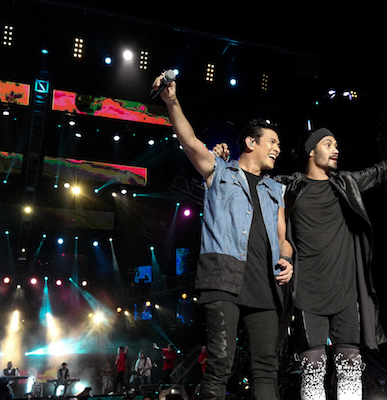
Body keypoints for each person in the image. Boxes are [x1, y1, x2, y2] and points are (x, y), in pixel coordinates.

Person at [279, 127, 387, 400]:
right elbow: (251, 178)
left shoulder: (346, 183)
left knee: (350, 367)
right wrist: (221, 163)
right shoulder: (288, 186)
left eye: (337, 144)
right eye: (328, 144)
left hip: (346, 294)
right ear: (311, 151)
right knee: (312, 370)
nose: (336, 149)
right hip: (306, 294)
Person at [152, 72, 293, 400]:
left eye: (279, 144)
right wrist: (172, 101)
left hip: (265, 284)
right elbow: (189, 141)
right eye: (272, 142)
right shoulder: (219, 170)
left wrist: (286, 258)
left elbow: (283, 237)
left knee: (267, 368)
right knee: (220, 363)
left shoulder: (276, 190)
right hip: (223, 277)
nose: (278, 148)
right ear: (251, 143)